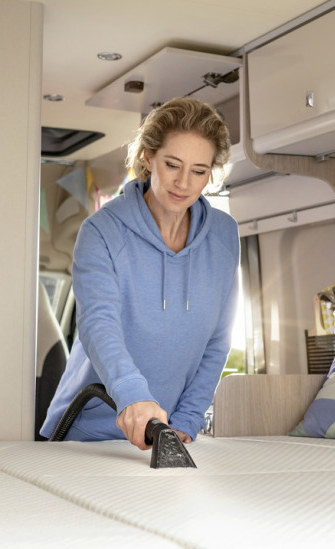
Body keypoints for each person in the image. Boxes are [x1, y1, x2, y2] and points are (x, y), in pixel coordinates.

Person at [40, 97, 239, 448]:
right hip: (89, 431)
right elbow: (98, 324)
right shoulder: (102, 230)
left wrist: (188, 419)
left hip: (167, 433)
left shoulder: (223, 235)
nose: (183, 183)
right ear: (148, 158)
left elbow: (218, 341)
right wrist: (133, 396)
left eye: (199, 171)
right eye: (172, 164)